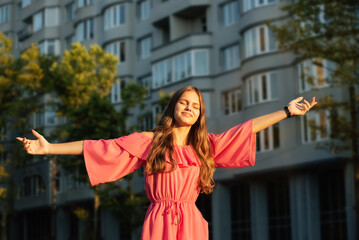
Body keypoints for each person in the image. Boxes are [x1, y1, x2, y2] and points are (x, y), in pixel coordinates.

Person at [17, 85, 317, 239]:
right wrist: (49, 148)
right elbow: (99, 148)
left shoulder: (205, 146)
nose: (189, 107)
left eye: (196, 105)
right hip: (159, 218)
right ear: (173, 106)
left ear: (200, 114)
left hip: (191, 220)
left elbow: (246, 129)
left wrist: (286, 111)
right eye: (184, 102)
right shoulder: (151, 141)